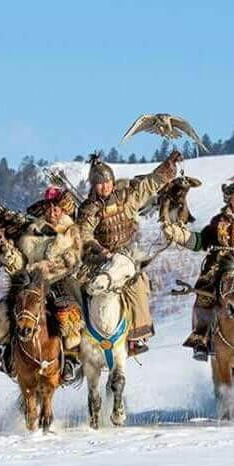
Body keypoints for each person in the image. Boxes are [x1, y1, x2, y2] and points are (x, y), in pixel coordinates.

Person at [164, 174, 234, 361]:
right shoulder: (218, 220)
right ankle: (201, 338)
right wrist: (179, 235)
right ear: (229, 198)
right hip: (217, 266)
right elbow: (202, 241)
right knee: (204, 294)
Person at [77, 151, 180, 355]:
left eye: (107, 181)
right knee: (83, 288)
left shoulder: (127, 197)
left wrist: (166, 168)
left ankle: (137, 335)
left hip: (127, 253)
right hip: (100, 257)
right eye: (100, 183)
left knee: (137, 283)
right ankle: (80, 335)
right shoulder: (89, 209)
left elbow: (148, 185)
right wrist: (100, 250)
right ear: (93, 185)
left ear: (113, 181)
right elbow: (84, 234)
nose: (105, 186)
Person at [0, 186, 85, 383]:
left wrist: (45, 267)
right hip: (31, 285)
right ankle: (5, 350)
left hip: (58, 285)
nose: (53, 213)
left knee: (68, 324)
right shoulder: (31, 232)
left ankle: (69, 360)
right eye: (49, 208)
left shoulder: (71, 233)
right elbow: (21, 262)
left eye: (57, 209)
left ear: (63, 210)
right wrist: (8, 252)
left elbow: (73, 261)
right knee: (1, 318)